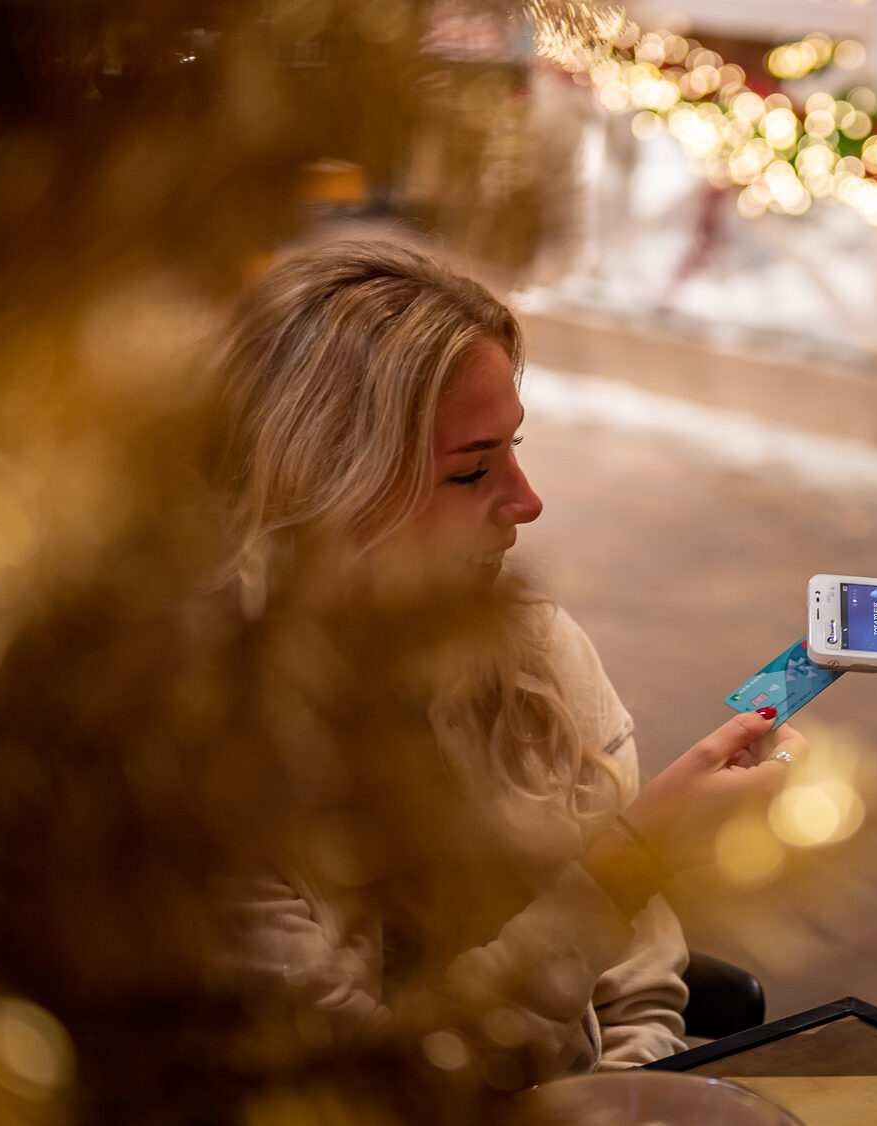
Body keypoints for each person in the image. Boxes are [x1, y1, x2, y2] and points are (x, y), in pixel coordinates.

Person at [210, 238, 797, 1080]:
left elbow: (639, 985)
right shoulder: (194, 768)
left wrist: (632, 1101)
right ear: (313, 491)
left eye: (515, 447)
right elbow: (379, 1090)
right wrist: (627, 865)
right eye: (470, 471)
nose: (528, 501)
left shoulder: (528, 646)